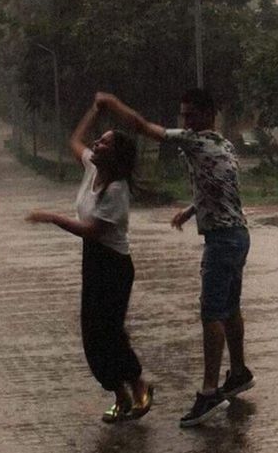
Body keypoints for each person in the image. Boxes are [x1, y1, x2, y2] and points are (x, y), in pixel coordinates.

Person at [93, 88, 254, 427]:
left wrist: (112, 104)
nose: (186, 122)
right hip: (239, 234)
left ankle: (210, 392)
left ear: (208, 115)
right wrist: (192, 210)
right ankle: (238, 371)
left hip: (223, 241)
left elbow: (142, 126)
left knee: (211, 313)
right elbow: (220, 187)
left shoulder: (194, 141)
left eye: (191, 115)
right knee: (230, 308)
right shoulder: (223, 145)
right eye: (183, 115)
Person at [26, 96, 153, 424]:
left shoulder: (116, 190)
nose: (96, 144)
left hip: (113, 264)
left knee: (109, 332)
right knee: (91, 334)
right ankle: (119, 394)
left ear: (116, 155)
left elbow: (94, 231)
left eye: (105, 142)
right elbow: (74, 140)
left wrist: (52, 217)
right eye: (99, 140)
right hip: (93, 262)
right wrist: (94, 110)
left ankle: (137, 384)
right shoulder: (93, 167)